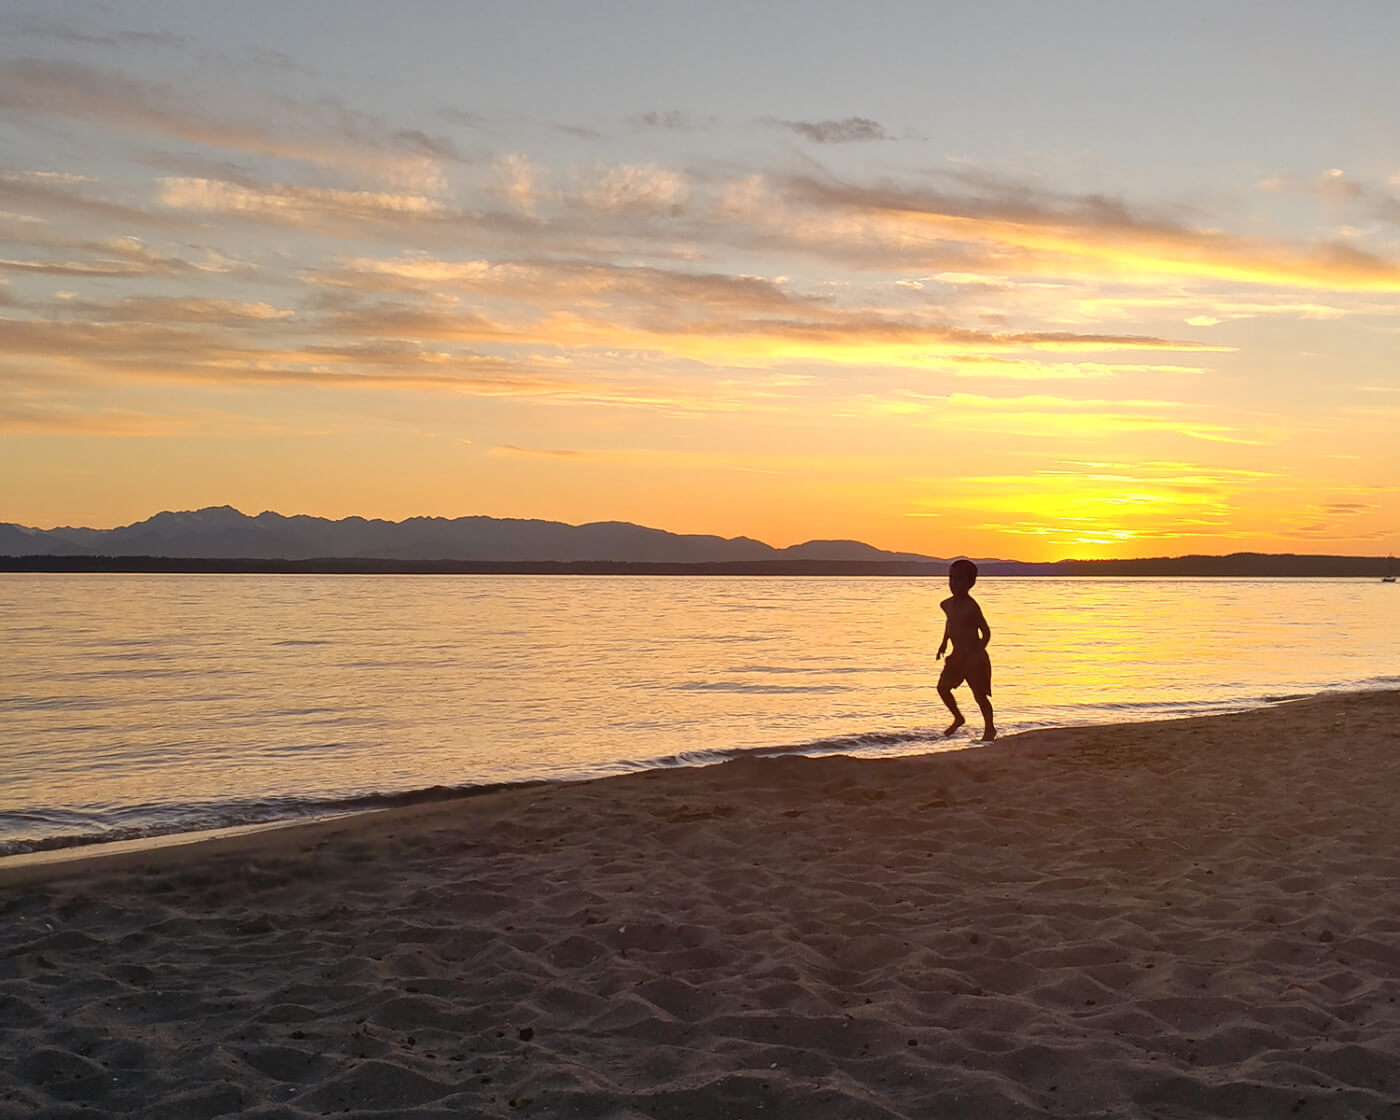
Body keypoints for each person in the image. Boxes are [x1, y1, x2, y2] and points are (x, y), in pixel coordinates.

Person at [935, 558, 996, 741]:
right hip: (957, 656)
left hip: (973, 658)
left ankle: (990, 728)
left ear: (970, 583)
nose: (954, 584)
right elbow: (950, 622)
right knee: (943, 688)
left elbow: (985, 632)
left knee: (979, 696)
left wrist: (977, 652)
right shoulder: (947, 604)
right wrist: (944, 643)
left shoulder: (971, 607)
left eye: (959, 580)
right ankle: (958, 717)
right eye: (951, 579)